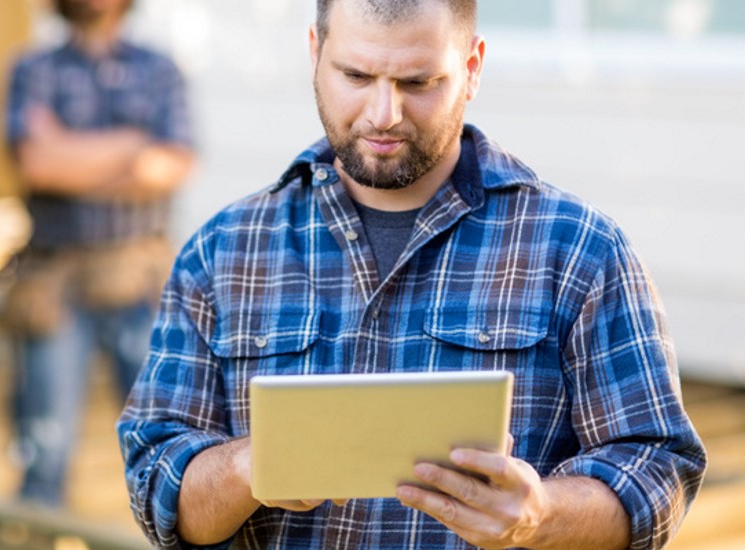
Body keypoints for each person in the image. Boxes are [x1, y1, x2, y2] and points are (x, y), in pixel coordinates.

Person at [117, 0, 706, 548]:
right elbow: (156, 483)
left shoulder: (580, 250)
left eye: (417, 82)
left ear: (472, 67)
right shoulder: (222, 253)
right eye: (355, 76)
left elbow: (658, 470)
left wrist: (541, 514)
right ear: (314, 53)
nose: (383, 114)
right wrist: (252, 465)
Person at [1, 0, 194, 508]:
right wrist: (132, 145)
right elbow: (38, 163)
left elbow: (168, 167)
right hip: (55, 289)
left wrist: (71, 150)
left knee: (170, 449)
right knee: (44, 453)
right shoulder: (31, 69)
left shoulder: (161, 69)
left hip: (143, 288)